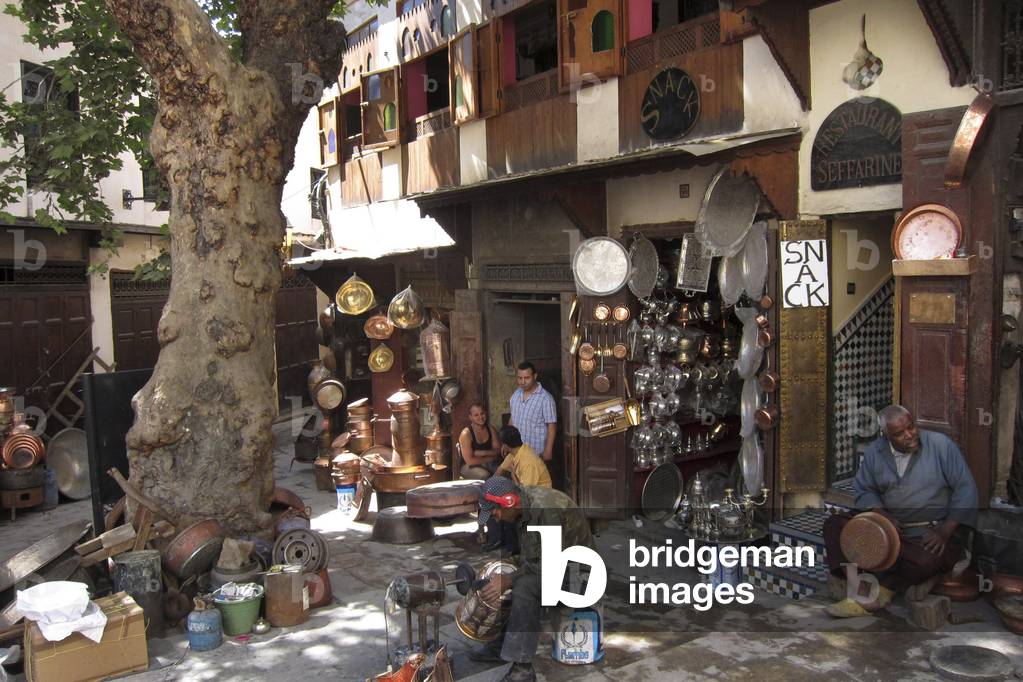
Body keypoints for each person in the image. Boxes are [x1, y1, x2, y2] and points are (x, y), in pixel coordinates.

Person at [822, 404, 978, 618]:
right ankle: (859, 588)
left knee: (923, 562)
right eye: (899, 433)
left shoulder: (941, 446)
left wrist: (945, 531)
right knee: (835, 527)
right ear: (886, 436)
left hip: (929, 534)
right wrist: (880, 513)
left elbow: (966, 488)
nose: (910, 435)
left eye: (911, 427)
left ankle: (885, 582)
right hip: (888, 530)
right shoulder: (875, 453)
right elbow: (864, 488)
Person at [468, 477, 595, 682]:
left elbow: (550, 564)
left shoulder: (546, 510)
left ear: (510, 501)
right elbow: (533, 556)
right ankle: (502, 644)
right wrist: (503, 570)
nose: (496, 518)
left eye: (495, 511)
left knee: (524, 587)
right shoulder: (524, 508)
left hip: (577, 576)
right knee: (501, 573)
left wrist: (510, 578)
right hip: (554, 565)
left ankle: (522, 668)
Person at [479, 426, 553, 551]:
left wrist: (513, 475)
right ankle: (496, 539)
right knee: (490, 500)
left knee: (506, 510)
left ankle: (513, 548)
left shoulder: (529, 462)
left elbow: (526, 494)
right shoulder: (516, 453)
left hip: (539, 499)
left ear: (505, 444)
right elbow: (499, 472)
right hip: (525, 492)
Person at [509, 362, 557, 463]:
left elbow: (551, 425)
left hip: (536, 452)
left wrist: (548, 450)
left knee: (533, 479)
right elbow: (512, 418)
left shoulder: (545, 398)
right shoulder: (515, 395)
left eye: (527, 378)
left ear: (535, 376)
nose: (523, 382)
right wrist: (507, 443)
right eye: (519, 378)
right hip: (517, 451)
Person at [458, 401, 502, 480]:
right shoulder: (466, 434)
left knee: (504, 472)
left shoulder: (491, 429)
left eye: (482, 413)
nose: (480, 417)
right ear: (470, 417)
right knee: (485, 476)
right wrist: (491, 458)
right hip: (469, 466)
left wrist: (483, 453)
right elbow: (470, 461)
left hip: (488, 463)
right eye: (476, 415)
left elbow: (498, 450)